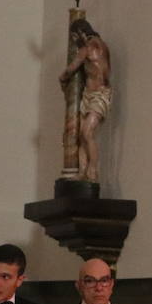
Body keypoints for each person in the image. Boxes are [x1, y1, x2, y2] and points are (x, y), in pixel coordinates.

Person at [59, 18, 111, 183]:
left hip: (100, 94)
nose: (74, 41)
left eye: (74, 37)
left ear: (79, 33)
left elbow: (71, 68)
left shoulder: (89, 47)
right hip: (88, 94)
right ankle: (83, 172)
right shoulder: (99, 45)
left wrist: (62, 77)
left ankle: (93, 172)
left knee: (87, 133)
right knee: (82, 135)